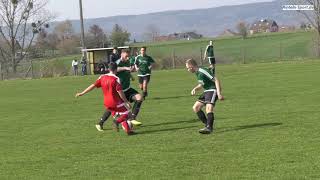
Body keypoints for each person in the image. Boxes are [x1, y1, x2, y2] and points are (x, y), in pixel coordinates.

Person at [75, 62, 135, 135]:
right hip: (115, 102)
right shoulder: (116, 79)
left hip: (106, 103)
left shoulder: (102, 77)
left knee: (121, 115)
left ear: (108, 69)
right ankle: (116, 122)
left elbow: (93, 86)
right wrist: (126, 102)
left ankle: (128, 131)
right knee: (128, 113)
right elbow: (120, 92)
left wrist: (82, 93)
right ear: (116, 69)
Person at [97, 49, 144, 129]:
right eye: (126, 56)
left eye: (129, 56)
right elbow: (116, 69)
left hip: (127, 89)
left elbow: (127, 71)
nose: (128, 58)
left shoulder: (127, 61)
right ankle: (100, 123)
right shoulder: (118, 62)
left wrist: (131, 76)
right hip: (119, 91)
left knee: (139, 98)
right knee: (111, 108)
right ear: (122, 54)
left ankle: (132, 118)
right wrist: (126, 68)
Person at [185, 59, 224, 134]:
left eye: (187, 68)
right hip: (206, 91)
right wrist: (195, 89)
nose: (187, 70)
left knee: (208, 108)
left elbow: (216, 79)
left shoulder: (202, 71)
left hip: (212, 90)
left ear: (191, 66)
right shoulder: (197, 73)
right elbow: (201, 84)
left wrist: (219, 94)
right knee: (196, 107)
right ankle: (207, 125)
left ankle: (209, 128)